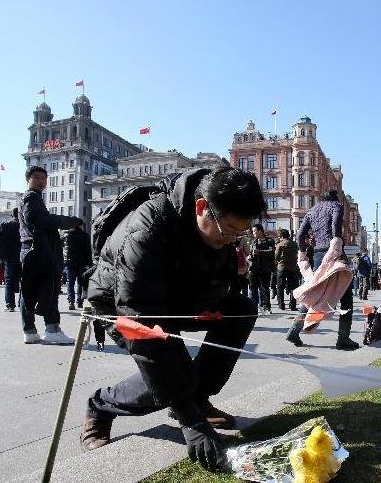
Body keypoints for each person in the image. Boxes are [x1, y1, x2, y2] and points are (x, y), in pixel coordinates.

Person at [79, 167, 265, 470]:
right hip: (120, 304)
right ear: (201, 206)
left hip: (178, 298)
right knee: (174, 370)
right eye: (229, 230)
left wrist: (231, 275)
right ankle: (100, 405)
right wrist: (188, 419)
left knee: (241, 310)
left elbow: (216, 272)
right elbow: (140, 318)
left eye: (240, 233)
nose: (233, 239)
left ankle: (198, 399)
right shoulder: (148, 226)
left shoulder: (221, 234)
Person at [285, 190, 359, 350]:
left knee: (314, 293)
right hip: (335, 253)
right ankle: (343, 338)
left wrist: (304, 251)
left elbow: (300, 234)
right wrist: (336, 245)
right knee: (346, 296)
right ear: (335, 198)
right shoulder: (336, 206)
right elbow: (335, 226)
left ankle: (294, 330)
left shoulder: (312, 210)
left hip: (318, 255)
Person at [19, 166, 83, 345]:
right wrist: (69, 221)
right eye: (37, 177)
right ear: (28, 179)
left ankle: (30, 331)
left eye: (44, 178)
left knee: (29, 292)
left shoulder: (28, 198)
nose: (41, 181)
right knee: (50, 289)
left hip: (30, 249)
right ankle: (52, 328)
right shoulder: (32, 197)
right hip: (38, 251)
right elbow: (40, 220)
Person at [0, 208, 22, 312]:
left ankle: (10, 305)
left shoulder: (5, 225)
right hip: (24, 256)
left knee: (9, 281)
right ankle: (23, 304)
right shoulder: (26, 225)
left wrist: (0, 246)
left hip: (10, 256)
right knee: (25, 280)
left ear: (12, 215)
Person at [63, 219, 92, 310]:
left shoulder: (67, 235)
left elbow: (64, 248)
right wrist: (89, 263)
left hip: (69, 262)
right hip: (81, 262)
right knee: (80, 282)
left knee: (70, 282)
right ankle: (79, 302)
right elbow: (88, 250)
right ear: (80, 226)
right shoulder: (85, 236)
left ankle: (71, 301)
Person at [247, 224, 275, 314]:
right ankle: (253, 307)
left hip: (264, 268)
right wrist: (249, 257)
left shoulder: (269, 241)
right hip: (253, 268)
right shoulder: (253, 241)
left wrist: (260, 252)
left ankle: (267, 307)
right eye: (253, 231)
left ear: (260, 231)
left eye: (255, 231)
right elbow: (251, 253)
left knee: (265, 288)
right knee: (253, 288)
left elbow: (271, 252)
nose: (253, 233)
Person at [274, 229, 300, 311]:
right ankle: (293, 305)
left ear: (281, 236)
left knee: (280, 286)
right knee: (294, 287)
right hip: (293, 268)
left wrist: (277, 262)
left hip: (281, 268)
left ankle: (281, 304)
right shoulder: (295, 244)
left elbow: (276, 257)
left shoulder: (280, 244)